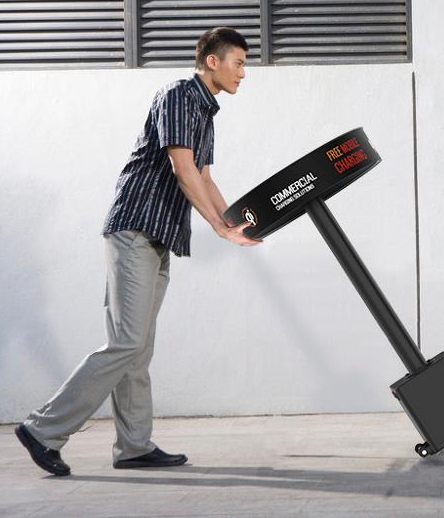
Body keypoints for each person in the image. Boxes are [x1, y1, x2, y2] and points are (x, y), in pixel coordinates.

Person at [15, 27, 260, 476]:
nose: (243, 73)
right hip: (135, 228)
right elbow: (182, 169)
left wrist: (236, 222)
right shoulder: (179, 95)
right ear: (213, 61)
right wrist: (219, 229)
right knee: (126, 341)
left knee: (138, 346)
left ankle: (133, 447)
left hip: (159, 234)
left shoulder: (205, 112)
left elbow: (204, 177)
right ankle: (42, 429)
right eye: (239, 63)